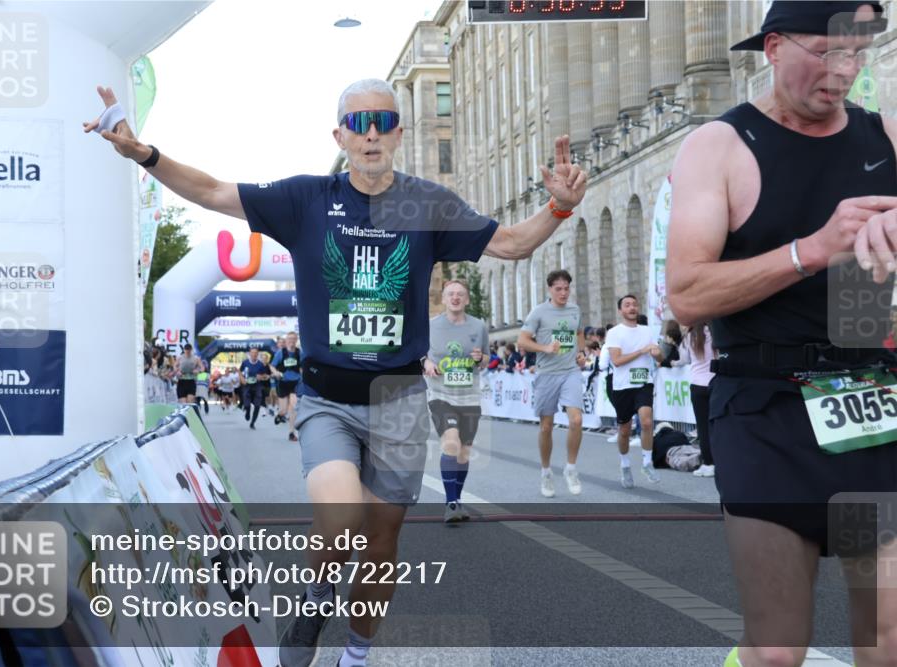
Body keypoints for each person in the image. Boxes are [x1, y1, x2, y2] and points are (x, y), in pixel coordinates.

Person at [86, 76, 586, 667]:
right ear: (339, 135)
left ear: (399, 132)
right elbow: (215, 191)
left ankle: (356, 651)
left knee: (380, 547)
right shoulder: (305, 200)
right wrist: (146, 155)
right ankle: (316, 596)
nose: (370, 132)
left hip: (399, 402)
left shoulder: (428, 203)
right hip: (328, 399)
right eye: (357, 122)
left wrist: (559, 206)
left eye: (382, 121)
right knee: (342, 518)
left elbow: (510, 245)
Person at [666, 3, 897, 665]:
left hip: (871, 403)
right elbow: (686, 294)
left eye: (857, 54)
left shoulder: (885, 136)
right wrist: (814, 249)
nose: (843, 72)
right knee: (776, 649)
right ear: (772, 47)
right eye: (826, 52)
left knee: (887, 639)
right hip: (766, 406)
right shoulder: (721, 145)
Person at [423, 279, 488, 523]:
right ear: (443, 299)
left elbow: (486, 359)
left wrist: (481, 357)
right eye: (451, 294)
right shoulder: (430, 326)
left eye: (460, 294)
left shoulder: (478, 326)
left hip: (469, 396)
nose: (456, 297)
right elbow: (420, 354)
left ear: (467, 299)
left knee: (464, 452)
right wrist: (427, 363)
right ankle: (450, 503)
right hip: (441, 395)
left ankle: (456, 500)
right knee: (451, 442)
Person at [517, 269, 586, 497]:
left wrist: (581, 352)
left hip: (570, 372)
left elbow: (578, 333)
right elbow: (522, 340)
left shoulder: (575, 310)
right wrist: (545, 348)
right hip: (547, 374)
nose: (564, 293)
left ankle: (571, 468)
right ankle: (546, 472)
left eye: (567, 288)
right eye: (559, 289)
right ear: (550, 289)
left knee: (576, 420)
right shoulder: (539, 312)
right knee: (546, 426)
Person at [604, 295, 663, 488]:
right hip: (622, 386)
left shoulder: (647, 330)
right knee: (624, 430)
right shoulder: (614, 332)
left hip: (643, 382)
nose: (632, 308)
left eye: (634, 304)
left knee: (646, 422)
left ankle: (647, 462)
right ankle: (625, 465)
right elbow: (617, 360)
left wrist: (656, 353)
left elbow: (659, 356)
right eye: (627, 305)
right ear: (620, 310)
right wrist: (641, 351)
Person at [684, 323, 717, 478]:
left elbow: (684, 358)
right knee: (717, 425)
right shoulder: (714, 332)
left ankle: (708, 463)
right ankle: (720, 461)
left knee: (702, 426)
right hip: (715, 382)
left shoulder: (690, 335)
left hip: (697, 383)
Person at [271, 331, 303, 442]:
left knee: (294, 406)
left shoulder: (300, 353)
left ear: (296, 340)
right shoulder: (281, 353)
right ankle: (279, 415)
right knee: (283, 410)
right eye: (289, 339)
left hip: (295, 383)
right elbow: (272, 366)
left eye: (294, 339)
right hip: (283, 382)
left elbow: (304, 366)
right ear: (286, 341)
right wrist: (275, 372)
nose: (292, 341)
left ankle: (291, 433)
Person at [239, 346, 270, 430]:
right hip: (247, 386)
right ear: (249, 354)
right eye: (252, 353)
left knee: (257, 405)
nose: (254, 355)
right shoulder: (245, 363)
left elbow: (265, 376)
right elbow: (240, 372)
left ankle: (252, 423)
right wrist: (242, 380)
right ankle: (247, 411)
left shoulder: (260, 364)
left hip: (257, 386)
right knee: (247, 404)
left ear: (257, 354)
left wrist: (262, 377)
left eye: (255, 353)